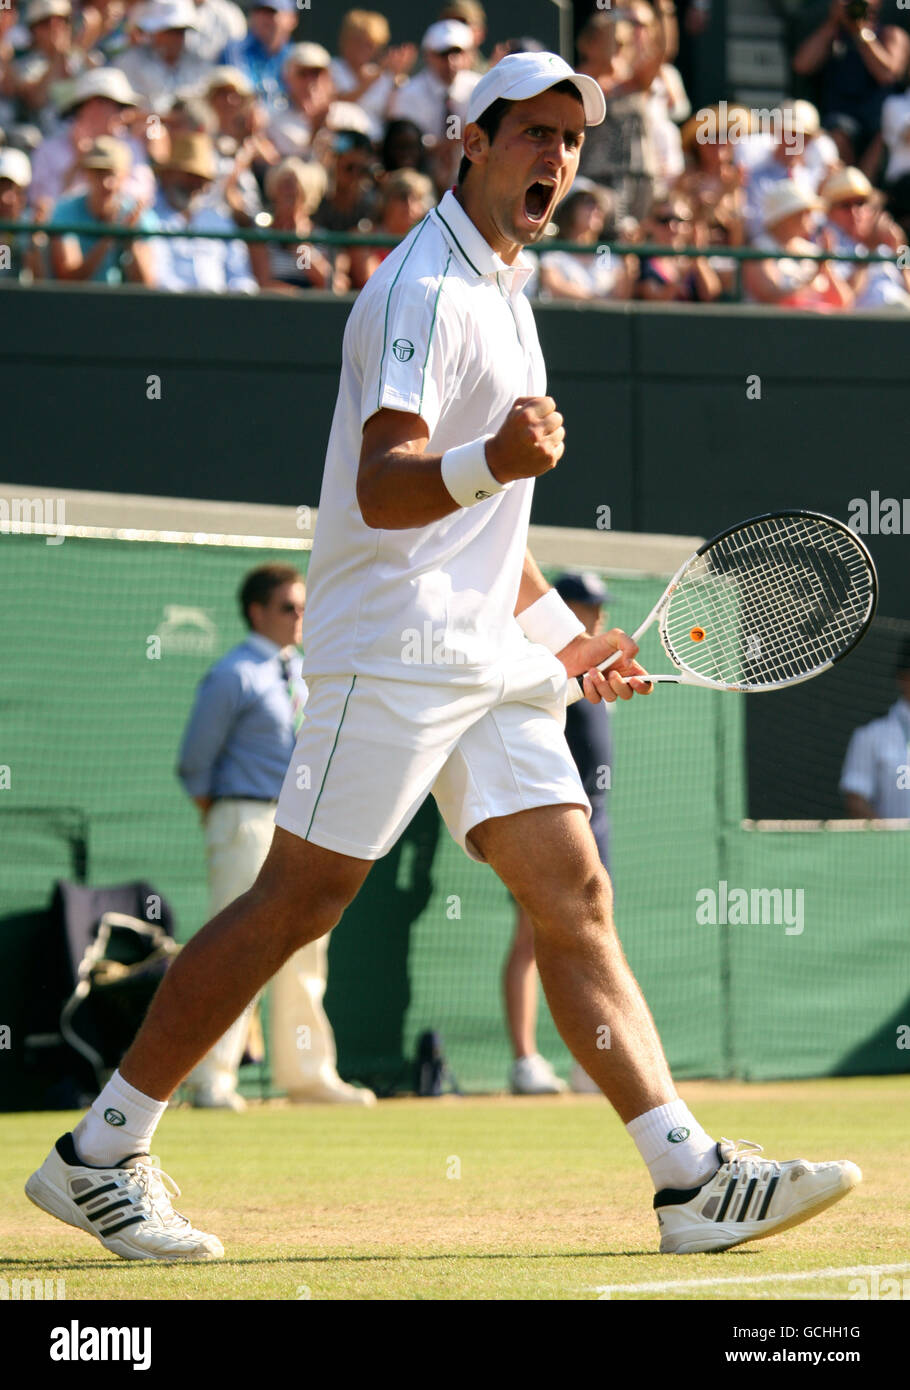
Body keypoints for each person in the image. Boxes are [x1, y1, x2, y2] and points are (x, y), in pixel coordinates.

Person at [26, 50, 861, 1263]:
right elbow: (386, 480)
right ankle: (102, 1151)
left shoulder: (508, 288)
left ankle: (687, 1177)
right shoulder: (417, 289)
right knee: (297, 900)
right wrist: (493, 463)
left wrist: (568, 643)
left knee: (572, 892)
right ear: (469, 138)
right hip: (394, 647)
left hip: (485, 657)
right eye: (533, 134)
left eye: (573, 141)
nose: (557, 160)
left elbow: (490, 535)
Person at [176, 564, 375, 1109]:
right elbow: (195, 764)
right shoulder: (232, 674)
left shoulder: (308, 672)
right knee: (238, 945)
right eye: (289, 607)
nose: (300, 618)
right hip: (246, 820)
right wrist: (230, 818)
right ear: (256, 612)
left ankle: (308, 1076)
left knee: (306, 950)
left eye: (305, 608)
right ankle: (213, 1077)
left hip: (304, 824)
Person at [503, 571, 614, 1095]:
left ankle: (593, 1062)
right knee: (532, 938)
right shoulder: (543, 666)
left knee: (592, 937)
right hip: (548, 818)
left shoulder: (596, 670)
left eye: (597, 607)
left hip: (596, 820)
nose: (593, 615)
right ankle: (526, 1061)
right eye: (581, 606)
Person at [792, 0, 910, 166]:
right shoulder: (833, 34)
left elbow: (887, 74)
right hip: (838, 120)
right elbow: (801, 65)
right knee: (837, 135)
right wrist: (832, 23)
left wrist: (860, 33)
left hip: (879, 121)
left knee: (883, 136)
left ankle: (865, 187)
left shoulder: (891, 35)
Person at [29, 65, 154, 212]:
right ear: (89, 105)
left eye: (121, 107)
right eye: (113, 105)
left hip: (117, 230)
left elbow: (143, 197)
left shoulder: (132, 147)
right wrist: (79, 163)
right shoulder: (48, 150)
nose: (121, 114)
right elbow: (43, 205)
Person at [149, 131, 257, 292]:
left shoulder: (219, 219)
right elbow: (159, 278)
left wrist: (240, 296)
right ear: (167, 175)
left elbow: (240, 276)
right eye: (189, 175)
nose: (196, 184)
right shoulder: (151, 217)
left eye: (202, 178)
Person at [48, 135, 156, 283]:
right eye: (99, 172)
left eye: (112, 174)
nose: (106, 183)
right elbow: (69, 278)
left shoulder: (140, 217)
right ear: (87, 174)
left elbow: (147, 284)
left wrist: (131, 240)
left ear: (125, 175)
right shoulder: (64, 211)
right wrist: (109, 236)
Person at [743, 182, 852, 311]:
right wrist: (815, 275)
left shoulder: (811, 250)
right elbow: (772, 299)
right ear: (785, 217)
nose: (811, 218)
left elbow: (843, 301)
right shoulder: (759, 250)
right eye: (804, 212)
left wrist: (825, 266)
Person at [822, 164, 910, 309]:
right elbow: (845, 301)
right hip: (864, 325)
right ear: (829, 212)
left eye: (860, 202)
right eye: (845, 205)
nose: (855, 211)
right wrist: (869, 251)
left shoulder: (883, 239)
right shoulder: (827, 242)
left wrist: (901, 248)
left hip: (901, 320)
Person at [840, 640, 910, 819]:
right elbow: (856, 801)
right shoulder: (870, 734)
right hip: (893, 846)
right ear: (902, 678)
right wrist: (893, 843)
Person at [328, 9, 416, 144]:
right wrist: (377, 74)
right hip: (341, 144)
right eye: (358, 41)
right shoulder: (331, 68)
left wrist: (398, 75)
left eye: (370, 44)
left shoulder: (384, 75)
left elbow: (394, 114)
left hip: (376, 145)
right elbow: (339, 100)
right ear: (344, 40)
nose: (363, 48)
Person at [538, 184, 635, 301]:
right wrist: (596, 300)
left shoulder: (607, 255)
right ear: (570, 209)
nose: (595, 209)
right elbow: (553, 285)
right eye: (588, 202)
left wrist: (629, 260)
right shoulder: (554, 254)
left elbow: (620, 296)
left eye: (599, 206)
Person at [112, 0, 210, 116]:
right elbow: (127, 111)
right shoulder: (129, 63)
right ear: (155, 32)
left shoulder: (197, 63)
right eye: (170, 32)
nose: (176, 38)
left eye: (181, 32)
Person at [347, 167, 434, 289]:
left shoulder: (428, 241)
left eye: (417, 198)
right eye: (402, 197)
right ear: (386, 201)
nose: (409, 205)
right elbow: (371, 282)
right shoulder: (364, 236)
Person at [218, 0, 298, 109]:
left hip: (288, 123)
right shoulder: (234, 51)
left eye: (271, 12)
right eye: (258, 11)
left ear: (292, 19)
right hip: (244, 121)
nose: (263, 18)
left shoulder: (298, 58)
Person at [0, 145, 44, 280]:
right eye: (1, 188)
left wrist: (35, 241)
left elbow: (38, 280)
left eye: (13, 189)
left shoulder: (31, 226)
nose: (5, 198)